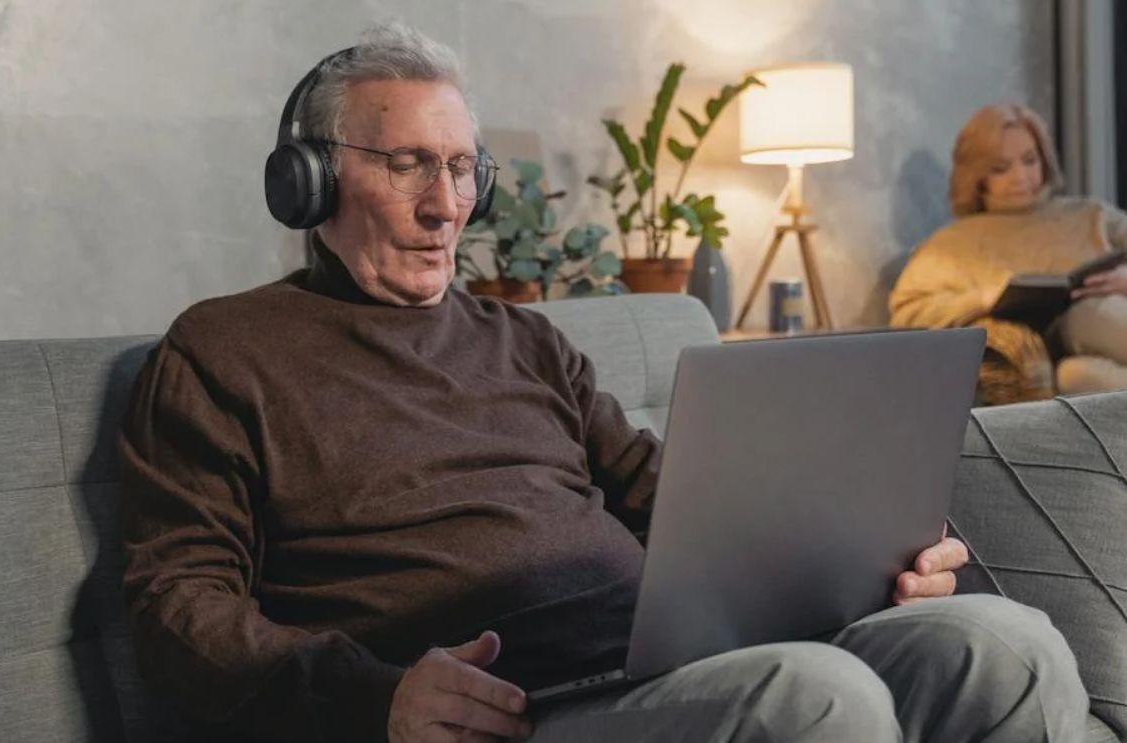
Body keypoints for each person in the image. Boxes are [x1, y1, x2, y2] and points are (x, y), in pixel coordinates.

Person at [120, 25, 1089, 743]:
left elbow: (677, 502)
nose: (445, 202)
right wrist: (376, 693)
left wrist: (856, 560)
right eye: (408, 163)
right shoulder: (226, 348)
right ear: (309, 181)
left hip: (665, 665)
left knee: (1000, 638)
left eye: (462, 168)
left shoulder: (527, 339)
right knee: (810, 697)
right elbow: (177, 599)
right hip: (511, 708)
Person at [890, 102, 1127, 403]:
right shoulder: (949, 246)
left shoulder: (1091, 215)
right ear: (977, 177)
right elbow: (907, 314)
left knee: (1082, 339)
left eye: (1030, 160)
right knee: (1074, 373)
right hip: (1048, 358)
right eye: (1001, 168)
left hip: (1103, 327)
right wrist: (982, 299)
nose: (1021, 177)